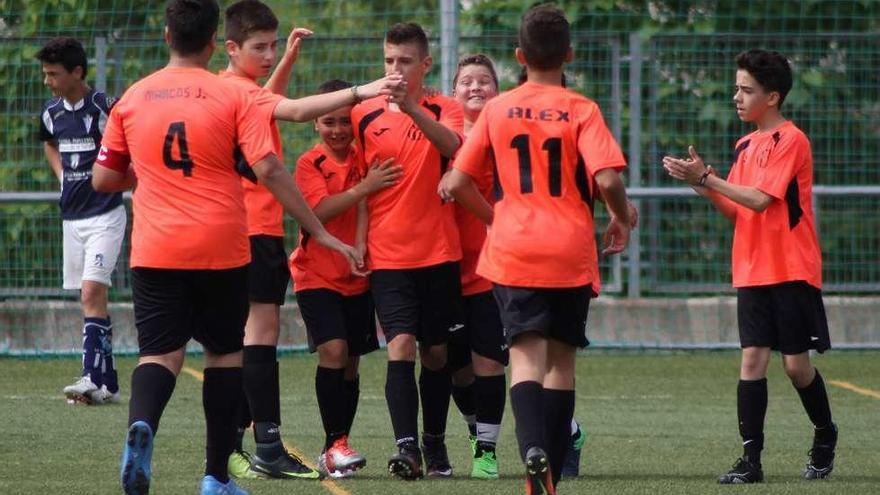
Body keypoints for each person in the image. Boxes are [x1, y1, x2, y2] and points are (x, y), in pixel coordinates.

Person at [91, 1, 393, 493]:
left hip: (155, 248)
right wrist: (317, 230)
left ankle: (143, 423)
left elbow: (104, 178)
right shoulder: (233, 96)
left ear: (168, 34)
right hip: (221, 245)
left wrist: (149, 171)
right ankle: (215, 478)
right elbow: (270, 167)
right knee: (226, 356)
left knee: (159, 356)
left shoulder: (133, 97)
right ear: (216, 41)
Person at [447, 6, 632, 494]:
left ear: (518, 56)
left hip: (514, 250)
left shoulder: (498, 109)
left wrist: (497, 219)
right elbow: (608, 176)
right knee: (561, 364)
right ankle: (547, 461)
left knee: (525, 360)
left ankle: (534, 459)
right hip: (570, 249)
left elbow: (458, 180)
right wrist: (620, 215)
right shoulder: (581, 108)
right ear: (568, 54)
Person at [219, 0, 397, 481]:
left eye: (272, 45)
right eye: (261, 47)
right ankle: (264, 446)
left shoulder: (223, 92)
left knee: (226, 344)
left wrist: (287, 59)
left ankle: (232, 448)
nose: (268, 53)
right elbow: (290, 111)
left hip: (219, 231)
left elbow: (267, 106)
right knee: (257, 339)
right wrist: (363, 91)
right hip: (256, 233)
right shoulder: (300, 153)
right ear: (228, 46)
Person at [663, 48, 837, 484]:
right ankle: (750, 461)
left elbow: (760, 200)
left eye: (746, 90)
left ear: (773, 97)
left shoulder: (791, 140)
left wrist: (707, 178)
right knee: (752, 361)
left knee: (796, 367)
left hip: (792, 268)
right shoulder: (746, 143)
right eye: (736, 89)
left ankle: (824, 434)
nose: (736, 97)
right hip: (752, 269)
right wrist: (699, 184)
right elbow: (738, 209)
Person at [351, 21, 465, 480]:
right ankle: (407, 449)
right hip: (388, 255)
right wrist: (359, 238)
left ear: (425, 65)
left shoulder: (445, 107)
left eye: (404, 62)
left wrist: (412, 108)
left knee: (436, 353)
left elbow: (453, 145)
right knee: (400, 345)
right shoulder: (363, 113)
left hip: (438, 253)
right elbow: (364, 183)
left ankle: (435, 443)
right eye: (388, 61)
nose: (395, 71)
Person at [290, 79, 403, 478]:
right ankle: (334, 442)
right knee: (334, 351)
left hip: (356, 274)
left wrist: (358, 249)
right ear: (315, 124)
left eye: (343, 122)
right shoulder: (309, 164)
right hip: (315, 274)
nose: (337, 130)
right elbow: (317, 211)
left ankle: (335, 445)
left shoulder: (363, 157)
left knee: (351, 364)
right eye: (328, 122)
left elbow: (365, 209)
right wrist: (366, 187)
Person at [37, 37, 125, 406]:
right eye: (44, 74)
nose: (47, 80)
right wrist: (61, 175)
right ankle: (106, 382)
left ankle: (89, 377)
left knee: (91, 292)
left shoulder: (105, 107)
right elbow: (49, 143)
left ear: (77, 72)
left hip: (105, 213)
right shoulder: (51, 112)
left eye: (53, 74)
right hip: (71, 218)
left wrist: (117, 177)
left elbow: (128, 146)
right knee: (90, 299)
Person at [437, 54, 508, 480]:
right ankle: (472, 426)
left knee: (489, 361)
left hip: (492, 268)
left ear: (497, 91)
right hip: (443, 267)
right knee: (455, 369)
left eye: (484, 81)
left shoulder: (507, 137)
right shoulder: (438, 138)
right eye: (466, 81)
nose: (476, 87)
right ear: (453, 91)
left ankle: (487, 450)